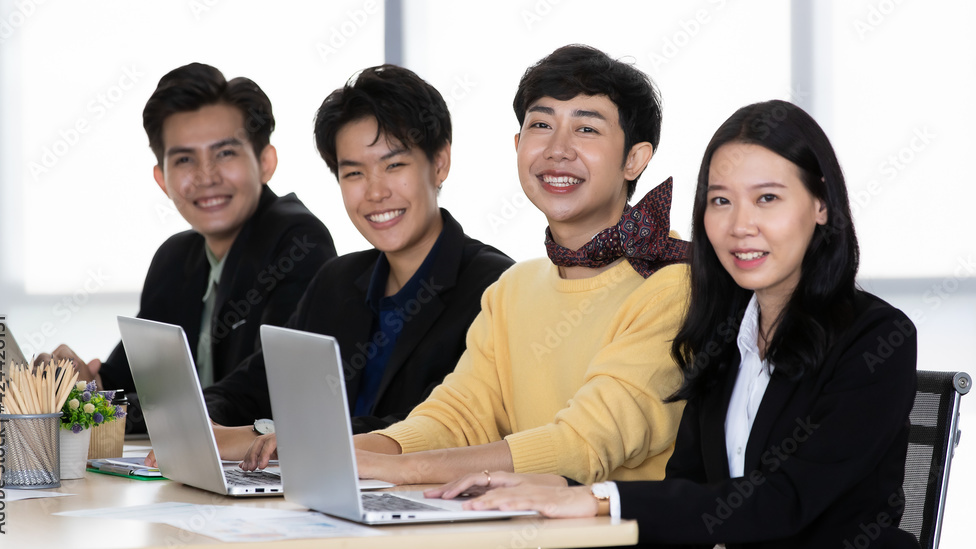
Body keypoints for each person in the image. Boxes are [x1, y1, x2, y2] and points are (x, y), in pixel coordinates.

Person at [431, 100, 920, 548]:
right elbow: (687, 490)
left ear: (822, 206)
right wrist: (556, 488)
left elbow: (784, 501)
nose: (739, 225)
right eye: (721, 200)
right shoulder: (722, 332)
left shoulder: (877, 338)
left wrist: (600, 499)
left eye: (767, 199)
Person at [339, 44, 691, 486]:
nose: (558, 149)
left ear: (635, 159)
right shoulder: (514, 287)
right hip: (515, 524)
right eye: (541, 125)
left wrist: (402, 469)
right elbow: (460, 415)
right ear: (518, 145)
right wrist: (347, 451)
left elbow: (582, 444)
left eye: (586, 128)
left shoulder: (674, 284)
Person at [204, 64, 514, 461]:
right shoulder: (337, 280)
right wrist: (205, 420)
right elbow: (256, 382)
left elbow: (433, 424)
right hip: (317, 496)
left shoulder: (494, 287)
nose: (376, 192)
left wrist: (285, 436)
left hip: (420, 506)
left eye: (394, 165)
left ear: (439, 163)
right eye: (354, 173)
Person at [36, 63, 337, 432]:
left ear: (265, 163)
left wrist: (109, 409)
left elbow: (260, 392)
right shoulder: (175, 258)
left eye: (225, 153)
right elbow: (126, 381)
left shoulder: (298, 241)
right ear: (163, 179)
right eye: (184, 159)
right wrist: (86, 387)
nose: (206, 176)